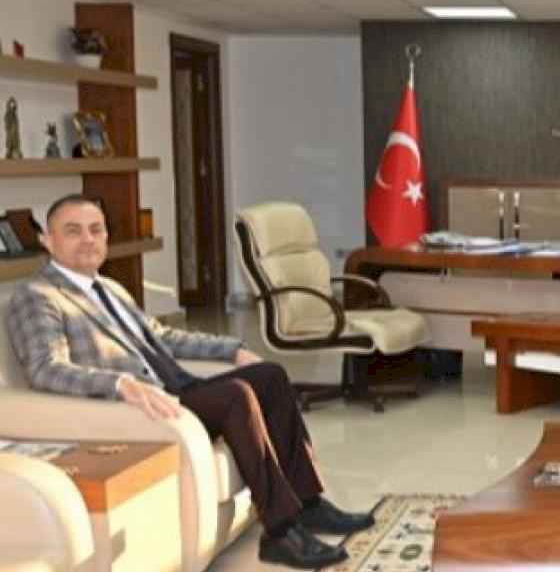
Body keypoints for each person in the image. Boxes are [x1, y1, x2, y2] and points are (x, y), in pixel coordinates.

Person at [5, 194, 373, 569]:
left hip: (178, 386)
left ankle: (308, 503)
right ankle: (280, 531)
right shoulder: (36, 296)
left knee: (270, 375)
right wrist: (119, 384)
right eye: (73, 231)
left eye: (95, 230)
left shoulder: (110, 288)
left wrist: (232, 350)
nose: (87, 239)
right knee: (236, 395)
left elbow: (163, 337)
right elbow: (45, 368)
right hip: (148, 406)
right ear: (48, 240)